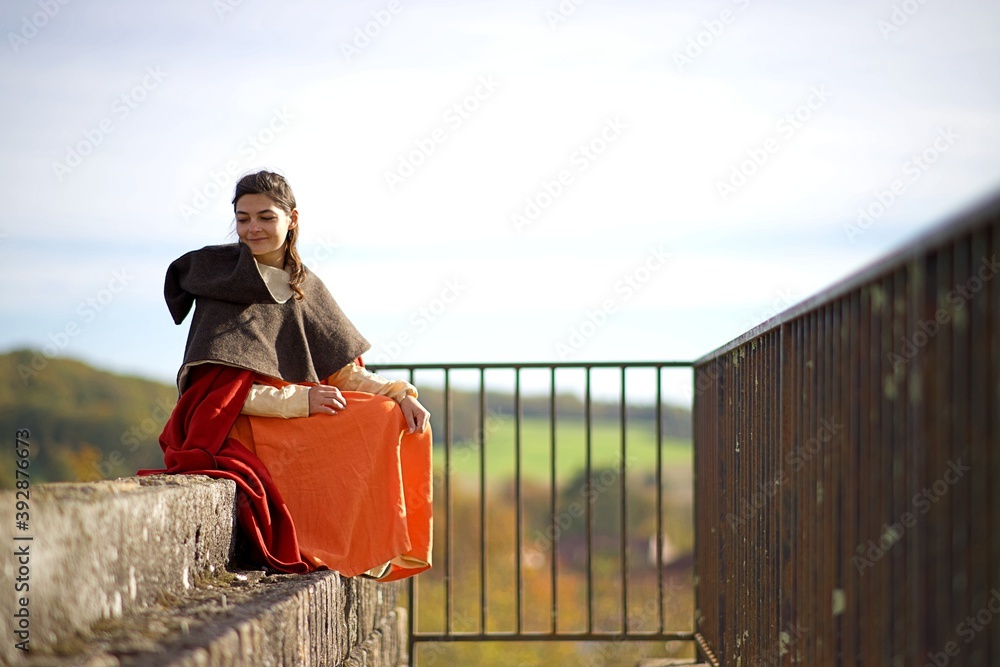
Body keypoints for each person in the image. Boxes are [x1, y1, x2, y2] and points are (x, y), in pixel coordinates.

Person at [138, 170, 432, 581]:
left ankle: (370, 542)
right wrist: (300, 400)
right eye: (243, 219)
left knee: (386, 414)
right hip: (246, 425)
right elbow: (219, 397)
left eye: (265, 217)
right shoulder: (223, 286)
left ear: (292, 219)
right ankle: (325, 541)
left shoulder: (306, 286)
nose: (253, 228)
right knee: (361, 424)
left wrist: (400, 394)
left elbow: (342, 373)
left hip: (295, 417)